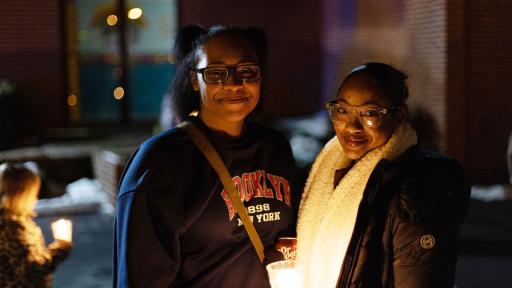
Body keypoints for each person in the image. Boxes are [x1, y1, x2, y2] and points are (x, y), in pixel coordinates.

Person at [113, 25, 298, 288]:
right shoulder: (161, 163)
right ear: (193, 80)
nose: (234, 83)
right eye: (216, 73)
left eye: (246, 71)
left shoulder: (275, 149)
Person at [296, 62, 470, 288]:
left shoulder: (416, 192)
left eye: (370, 113)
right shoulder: (334, 171)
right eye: (342, 110)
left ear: (399, 115)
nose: (352, 126)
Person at [0, 162, 72, 287]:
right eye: (32, 193)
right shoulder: (12, 226)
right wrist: (61, 246)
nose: (35, 198)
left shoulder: (15, 221)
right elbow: (33, 269)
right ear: (20, 195)